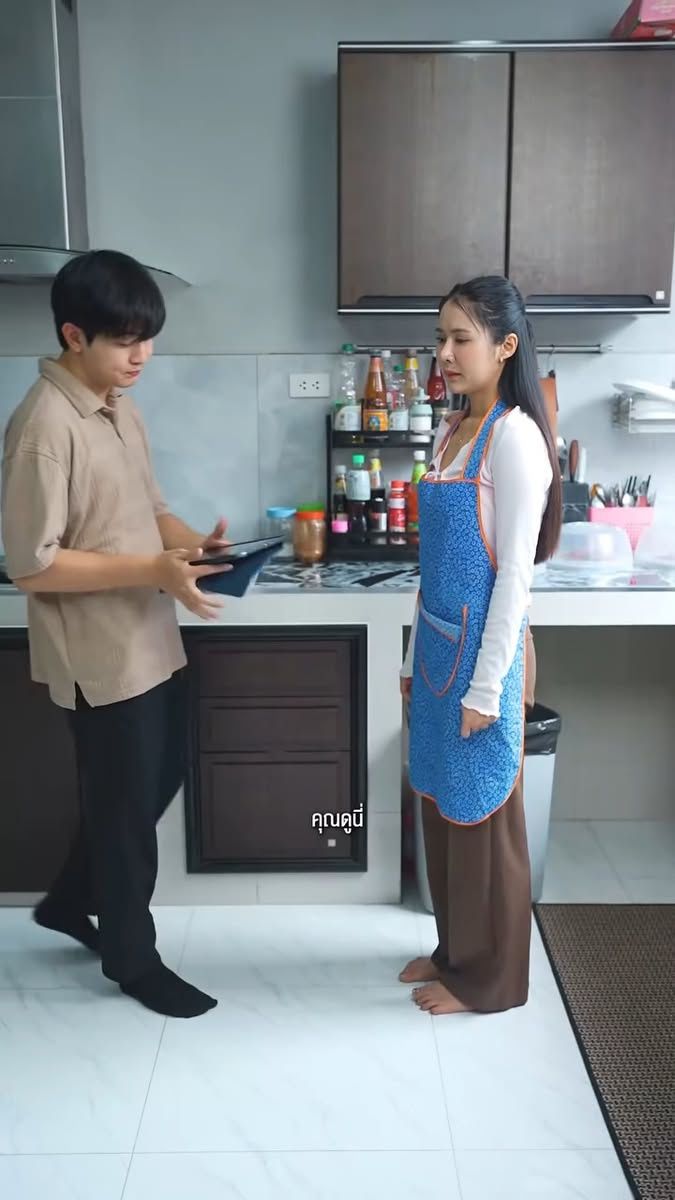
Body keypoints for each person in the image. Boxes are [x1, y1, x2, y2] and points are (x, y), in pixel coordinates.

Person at [1, 249, 232, 1019]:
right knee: (127, 815)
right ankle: (133, 962)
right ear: (74, 335)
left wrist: (200, 548)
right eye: (125, 340)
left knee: (149, 788)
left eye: (147, 338)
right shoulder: (44, 427)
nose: (142, 356)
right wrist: (153, 569)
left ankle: (69, 899)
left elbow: (150, 510)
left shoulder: (118, 406)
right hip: (98, 658)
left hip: (149, 637)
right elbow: (31, 565)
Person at [399, 275, 561, 1016]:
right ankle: (453, 953)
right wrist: (412, 662)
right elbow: (433, 568)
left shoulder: (514, 437)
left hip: (480, 663)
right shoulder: (452, 430)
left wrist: (486, 687)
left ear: (505, 346)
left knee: (485, 820)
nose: (444, 352)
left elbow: (514, 578)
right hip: (437, 655)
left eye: (460, 338)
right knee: (444, 809)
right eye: (440, 337)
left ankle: (491, 982)